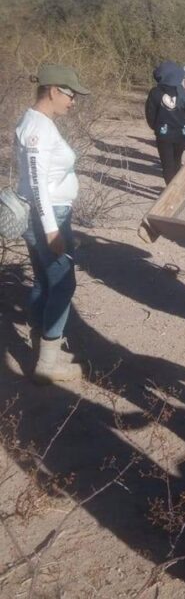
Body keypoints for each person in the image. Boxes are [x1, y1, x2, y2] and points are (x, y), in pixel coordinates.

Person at [15, 64, 90, 384]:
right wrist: (51, 230)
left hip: (48, 214)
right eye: (70, 94)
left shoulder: (40, 122)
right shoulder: (38, 130)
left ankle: (45, 346)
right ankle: (47, 363)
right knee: (62, 283)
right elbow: (36, 183)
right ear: (53, 91)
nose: (73, 101)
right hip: (47, 216)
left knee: (45, 281)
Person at [145, 61, 185, 184]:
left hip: (164, 135)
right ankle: (175, 190)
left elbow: (150, 115)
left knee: (167, 165)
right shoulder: (182, 92)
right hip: (181, 133)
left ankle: (170, 191)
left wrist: (156, 127)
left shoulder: (155, 93)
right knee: (177, 162)